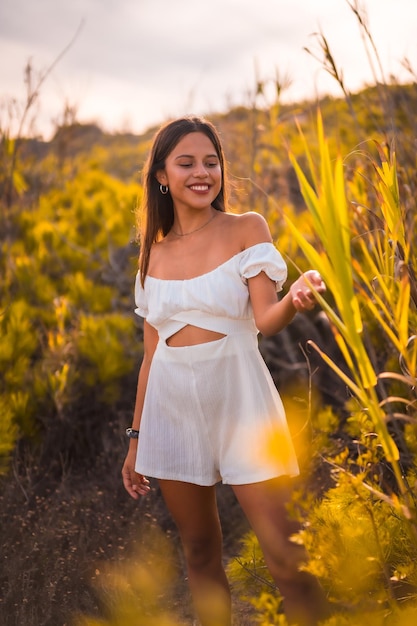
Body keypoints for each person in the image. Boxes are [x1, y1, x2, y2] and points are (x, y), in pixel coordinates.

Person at [122, 116, 329, 626]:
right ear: (162, 176)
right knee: (198, 552)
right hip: (171, 411)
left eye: (211, 162)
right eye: (186, 163)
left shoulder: (245, 228)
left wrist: (296, 300)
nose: (202, 173)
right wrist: (135, 440)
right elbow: (152, 357)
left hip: (241, 402)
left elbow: (267, 319)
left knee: (287, 556)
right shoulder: (152, 257)